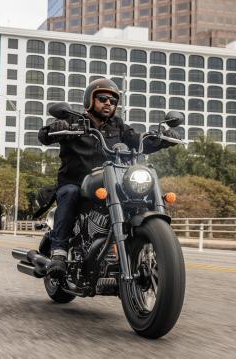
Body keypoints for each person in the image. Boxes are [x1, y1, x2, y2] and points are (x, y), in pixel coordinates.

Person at [38, 78, 180, 278]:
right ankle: (59, 254)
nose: (108, 103)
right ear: (90, 100)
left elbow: (139, 140)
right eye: (103, 98)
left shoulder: (119, 126)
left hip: (112, 182)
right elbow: (43, 136)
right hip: (77, 183)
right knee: (69, 193)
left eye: (113, 101)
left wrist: (162, 139)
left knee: (138, 195)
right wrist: (54, 128)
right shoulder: (74, 122)